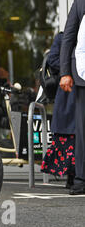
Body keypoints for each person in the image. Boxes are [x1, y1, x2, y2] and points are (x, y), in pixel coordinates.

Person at [40, 32, 76, 188]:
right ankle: (71, 176)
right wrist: (73, 68)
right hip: (69, 91)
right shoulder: (63, 37)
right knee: (68, 135)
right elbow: (52, 59)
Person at [59, 0, 85, 195]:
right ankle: (81, 178)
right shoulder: (80, 3)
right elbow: (68, 38)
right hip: (83, 74)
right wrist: (65, 72)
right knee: (83, 129)